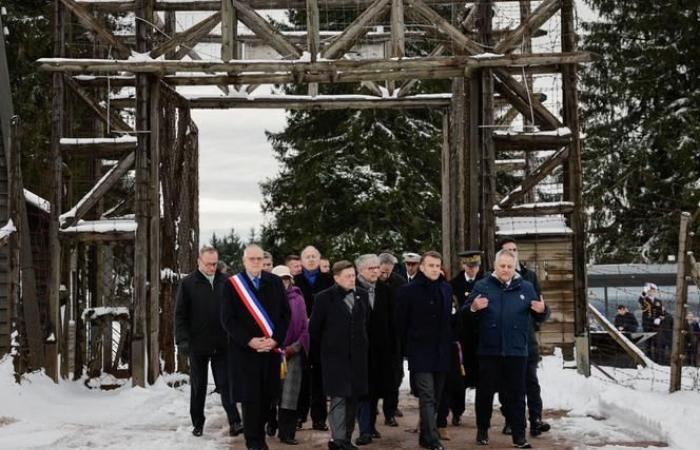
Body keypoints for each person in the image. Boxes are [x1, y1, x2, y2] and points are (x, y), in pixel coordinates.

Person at [466, 250, 547, 449]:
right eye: (502, 266)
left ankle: (519, 436)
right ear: (495, 266)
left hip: (516, 351)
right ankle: (482, 430)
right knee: (485, 394)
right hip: (489, 351)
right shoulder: (482, 286)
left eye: (509, 266)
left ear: (514, 267)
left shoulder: (526, 287)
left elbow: (541, 313)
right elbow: (464, 316)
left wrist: (543, 311)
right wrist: (473, 308)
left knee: (517, 395)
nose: (505, 270)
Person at [221, 244, 291, 450]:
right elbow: (227, 320)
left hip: (270, 351)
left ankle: (259, 437)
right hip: (245, 353)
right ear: (244, 261)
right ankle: (254, 443)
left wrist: (276, 339)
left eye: (259, 259)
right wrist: (249, 341)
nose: (256, 263)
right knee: (250, 399)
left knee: (268, 397)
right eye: (251, 259)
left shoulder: (275, 283)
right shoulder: (232, 285)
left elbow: (285, 315)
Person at [175, 246, 242, 438]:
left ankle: (235, 421)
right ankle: (198, 423)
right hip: (198, 344)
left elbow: (236, 312)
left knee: (226, 384)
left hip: (223, 343)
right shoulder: (188, 283)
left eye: (215, 264)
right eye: (208, 264)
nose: (213, 267)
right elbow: (180, 315)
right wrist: (182, 340)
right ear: (199, 261)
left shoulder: (227, 282)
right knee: (199, 386)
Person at [309, 261, 370, 450]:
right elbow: (315, 329)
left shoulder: (362, 295)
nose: (352, 279)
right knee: (339, 399)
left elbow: (364, 323)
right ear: (336, 278)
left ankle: (346, 438)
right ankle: (338, 440)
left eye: (353, 275)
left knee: (352, 399)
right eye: (347, 276)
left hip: (358, 358)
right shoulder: (323, 298)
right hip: (334, 358)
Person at [397, 251, 453, 450]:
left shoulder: (446, 289)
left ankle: (424, 435)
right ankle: (432, 437)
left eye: (437, 266)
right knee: (427, 395)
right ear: (422, 267)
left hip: (442, 351)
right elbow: (400, 323)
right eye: (431, 265)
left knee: (436, 396)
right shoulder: (408, 291)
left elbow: (450, 320)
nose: (435, 269)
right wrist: (404, 349)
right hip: (419, 350)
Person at [499, 237, 551, 438]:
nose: (512, 253)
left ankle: (536, 420)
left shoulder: (530, 277)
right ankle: (511, 420)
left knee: (531, 382)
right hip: (506, 342)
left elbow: (541, 307)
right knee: (508, 384)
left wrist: (541, 313)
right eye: (507, 250)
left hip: (527, 339)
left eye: (514, 249)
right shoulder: (495, 278)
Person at [354, 254, 397, 446]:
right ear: (360, 271)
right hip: (358, 352)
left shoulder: (386, 291)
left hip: (381, 351)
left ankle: (370, 425)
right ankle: (364, 430)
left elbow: (392, 322)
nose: (375, 271)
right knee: (362, 392)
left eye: (376, 267)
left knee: (375, 391)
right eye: (370, 268)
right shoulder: (351, 290)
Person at [294, 245, 335, 431]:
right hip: (300, 336)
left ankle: (319, 418)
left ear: (319, 259)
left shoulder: (329, 280)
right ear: (302, 261)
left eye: (314, 256)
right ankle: (299, 415)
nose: (311, 259)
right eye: (307, 257)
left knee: (319, 379)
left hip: (322, 336)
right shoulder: (295, 281)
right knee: (300, 378)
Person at [271, 265, 310, 445]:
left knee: (290, 395)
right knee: (272, 393)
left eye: (286, 279)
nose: (283, 283)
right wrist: (275, 346)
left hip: (293, 353)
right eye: (280, 279)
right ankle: (271, 423)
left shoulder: (298, 299)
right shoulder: (266, 299)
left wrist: (295, 347)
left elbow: (304, 327)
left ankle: (287, 433)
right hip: (272, 352)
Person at [447, 250, 483, 426]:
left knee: (482, 380)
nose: (472, 269)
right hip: (462, 338)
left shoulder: (486, 283)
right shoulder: (453, 285)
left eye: (475, 265)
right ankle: (457, 411)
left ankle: (482, 415)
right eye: (469, 266)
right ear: (463, 266)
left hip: (481, 338)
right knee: (459, 379)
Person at [378, 252, 407, 424]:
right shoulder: (371, 283)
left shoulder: (400, 283)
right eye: (383, 269)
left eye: (389, 270)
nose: (385, 273)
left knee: (395, 375)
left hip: (395, 337)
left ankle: (390, 410)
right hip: (376, 336)